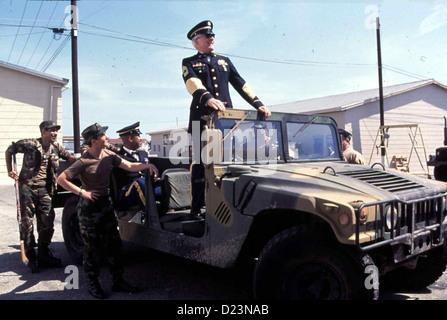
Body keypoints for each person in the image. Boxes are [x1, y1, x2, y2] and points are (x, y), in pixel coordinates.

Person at [56, 123, 157, 299]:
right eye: (103, 135)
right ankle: (93, 285)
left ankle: (118, 281)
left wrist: (146, 167)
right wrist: (82, 192)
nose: (107, 137)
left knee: (114, 246)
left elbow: (128, 166)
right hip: (89, 209)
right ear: (94, 140)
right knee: (93, 250)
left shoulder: (108, 155)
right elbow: (61, 178)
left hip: (105, 205)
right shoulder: (83, 161)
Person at [182, 20, 271, 216]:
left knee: (227, 163)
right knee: (201, 163)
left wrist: (258, 103)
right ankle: (196, 208)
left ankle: (225, 205)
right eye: (206, 36)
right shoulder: (189, 62)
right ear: (196, 42)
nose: (211, 38)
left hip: (225, 120)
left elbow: (240, 83)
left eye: (212, 36)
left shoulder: (224, 61)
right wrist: (208, 98)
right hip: (201, 120)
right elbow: (192, 83)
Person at [5, 121, 76, 273]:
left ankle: (44, 253)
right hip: (27, 188)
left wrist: (84, 156)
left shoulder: (56, 148)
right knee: (27, 222)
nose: (55, 133)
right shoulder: (30, 144)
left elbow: (69, 157)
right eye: (52, 131)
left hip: (45, 189)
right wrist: (10, 170)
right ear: (43, 132)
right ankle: (31, 255)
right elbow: (9, 151)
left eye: (56, 131)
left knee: (47, 221)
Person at [114, 122, 159, 210]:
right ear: (130, 138)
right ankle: (151, 216)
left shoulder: (143, 153)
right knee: (140, 183)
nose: (141, 139)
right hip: (128, 193)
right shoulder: (118, 157)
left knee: (166, 184)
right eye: (138, 136)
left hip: (146, 187)